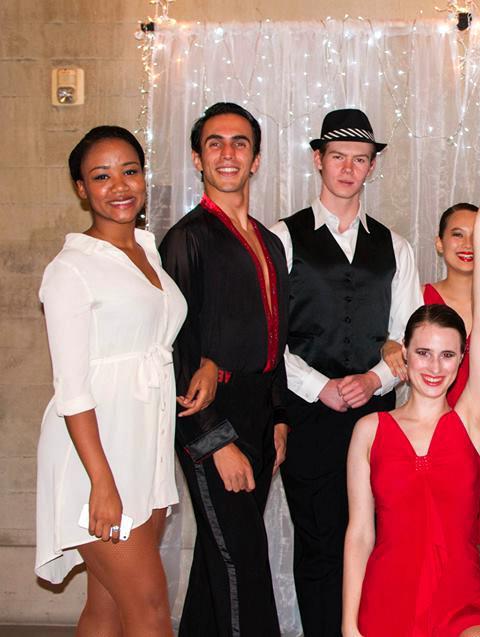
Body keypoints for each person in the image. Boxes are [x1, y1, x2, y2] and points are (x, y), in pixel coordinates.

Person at [342, 158, 480, 637]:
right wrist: (349, 627)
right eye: (423, 353)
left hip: (461, 599)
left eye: (447, 355)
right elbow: (358, 535)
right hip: (387, 600)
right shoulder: (370, 430)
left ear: (462, 362)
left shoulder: (472, 422)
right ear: (406, 356)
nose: (434, 367)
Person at [268, 108, 420, 636]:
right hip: (308, 417)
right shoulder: (282, 239)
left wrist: (377, 379)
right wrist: (319, 387)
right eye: (338, 157)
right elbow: (269, 338)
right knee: (319, 544)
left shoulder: (395, 245)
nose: (349, 168)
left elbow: (409, 334)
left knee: (374, 540)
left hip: (376, 421)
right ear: (318, 160)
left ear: (372, 167)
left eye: (361, 159)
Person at [35, 126, 188, 635]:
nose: (119, 186)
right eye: (101, 176)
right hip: (94, 458)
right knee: (148, 609)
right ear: (81, 188)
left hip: (144, 450)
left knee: (106, 607)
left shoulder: (148, 252)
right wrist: (101, 481)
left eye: (129, 171)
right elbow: (72, 386)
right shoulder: (71, 269)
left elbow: (157, 335)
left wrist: (205, 366)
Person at [159, 102, 289, 636]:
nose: (228, 153)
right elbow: (173, 350)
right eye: (215, 142)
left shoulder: (270, 240)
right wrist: (215, 440)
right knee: (244, 563)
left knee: (222, 562)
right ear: (197, 157)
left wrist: (280, 416)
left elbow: (277, 337)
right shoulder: (187, 239)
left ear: (255, 160)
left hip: (260, 410)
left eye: (240, 143)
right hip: (212, 415)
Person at [381, 202, 480, 551]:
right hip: (429, 436)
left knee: (469, 544)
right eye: (457, 234)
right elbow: (395, 342)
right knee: (428, 538)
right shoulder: (420, 300)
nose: (467, 244)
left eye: (478, 235)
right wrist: (388, 348)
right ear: (439, 243)